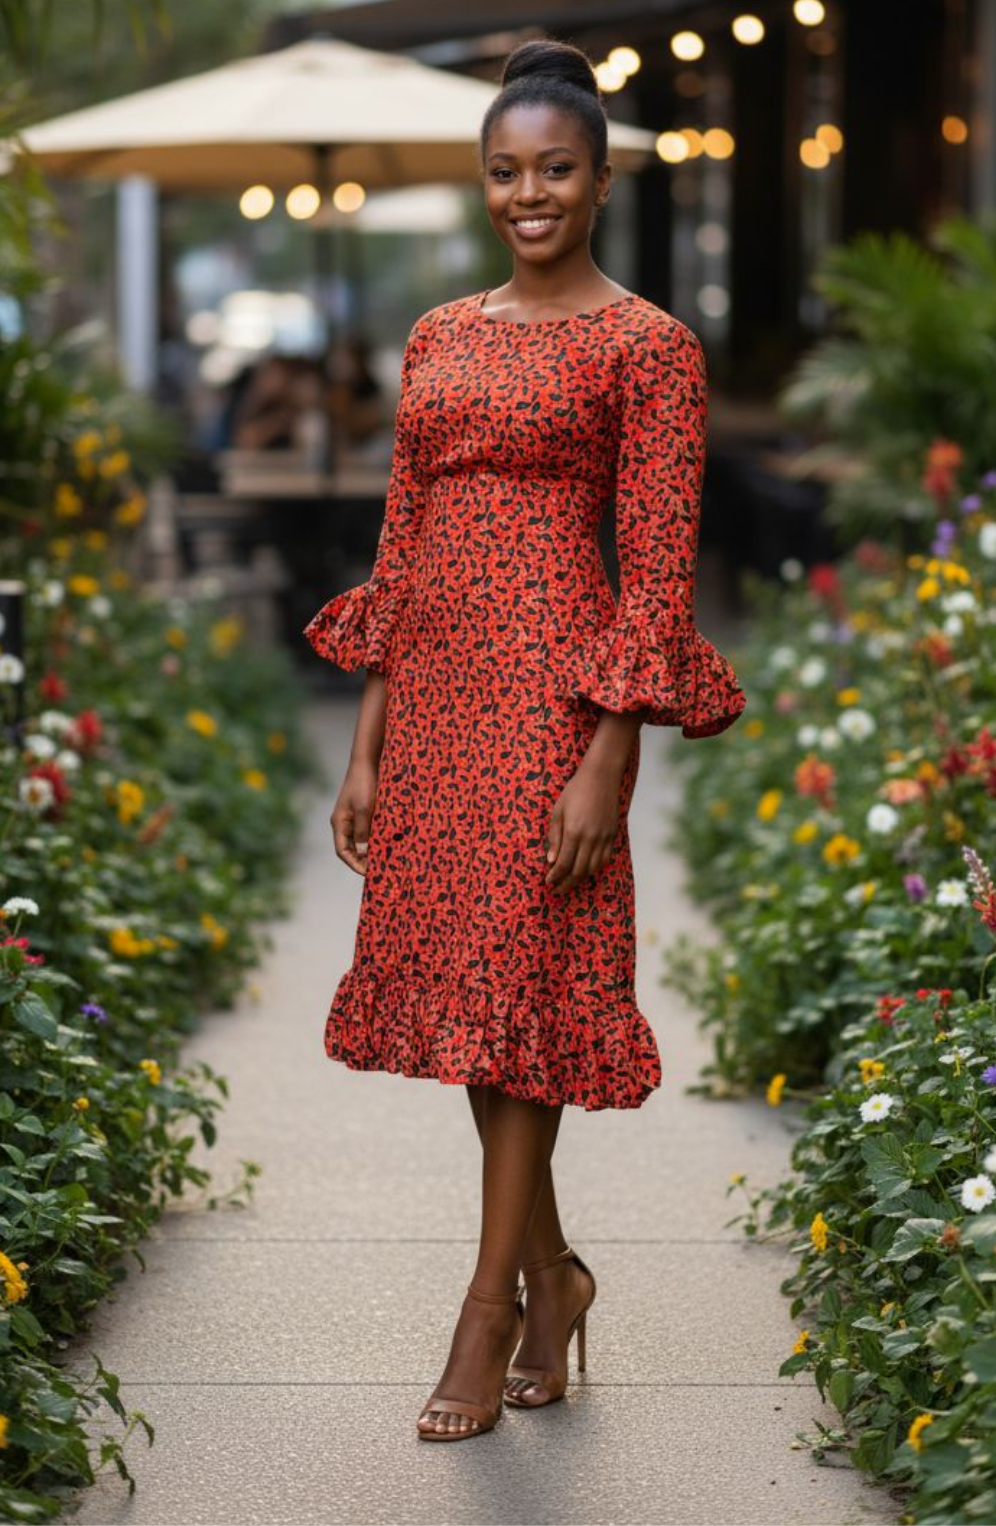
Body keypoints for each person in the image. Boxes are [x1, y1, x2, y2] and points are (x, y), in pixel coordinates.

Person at [302, 35, 748, 1443]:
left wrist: (614, 745)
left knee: (527, 981)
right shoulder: (438, 336)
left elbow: (660, 561)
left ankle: (489, 1306)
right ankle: (555, 1278)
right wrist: (369, 737)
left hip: (559, 691)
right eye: (505, 171)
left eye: (555, 168)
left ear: (603, 178)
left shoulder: (648, 347)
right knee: (480, 1003)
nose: (527, 193)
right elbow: (402, 535)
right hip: (433, 696)